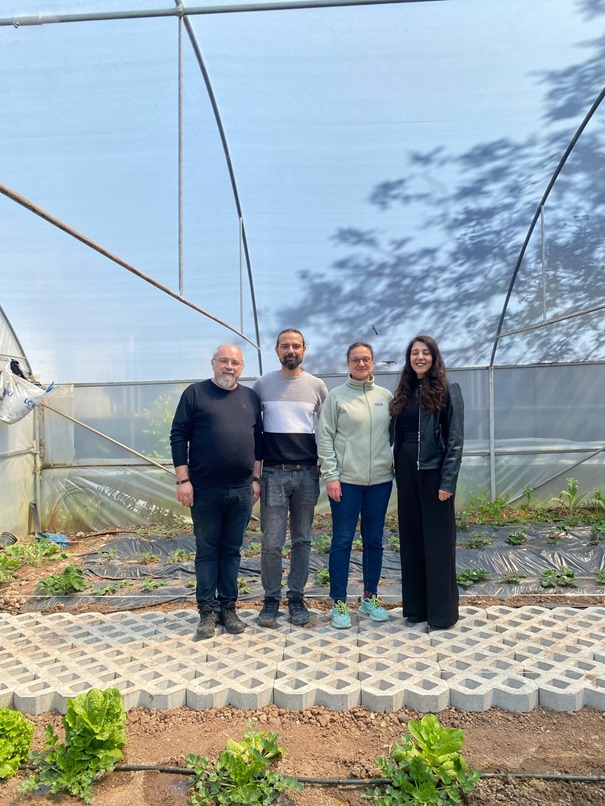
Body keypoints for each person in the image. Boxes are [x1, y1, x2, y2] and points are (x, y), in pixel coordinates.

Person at [170, 344, 262, 640]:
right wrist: (183, 481)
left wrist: (256, 478)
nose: (229, 367)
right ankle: (207, 612)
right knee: (208, 551)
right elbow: (178, 436)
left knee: (232, 551)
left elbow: (259, 440)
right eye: (224, 361)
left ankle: (228, 609)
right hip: (205, 489)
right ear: (213, 363)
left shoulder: (250, 397)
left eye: (235, 363)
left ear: (242, 367)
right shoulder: (195, 394)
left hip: (242, 490)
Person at [253, 329, 328, 627]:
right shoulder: (262, 385)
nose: (291, 351)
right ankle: (271, 599)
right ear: (276, 350)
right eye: (285, 346)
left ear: (304, 350)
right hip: (273, 474)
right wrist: (255, 471)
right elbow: (252, 428)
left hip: (307, 474)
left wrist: (324, 456)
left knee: (302, 539)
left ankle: (296, 597)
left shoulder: (317, 386)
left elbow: (329, 425)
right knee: (271, 542)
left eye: (296, 346)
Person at [317, 342, 394, 629]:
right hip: (346, 482)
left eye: (366, 359)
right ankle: (339, 601)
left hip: (380, 482)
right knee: (342, 540)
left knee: (374, 540)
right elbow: (325, 438)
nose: (361, 364)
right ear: (348, 363)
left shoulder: (386, 397)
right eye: (355, 359)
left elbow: (393, 436)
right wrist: (332, 476)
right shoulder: (337, 397)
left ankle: (369, 597)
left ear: (373, 362)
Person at [390, 335, 464, 631]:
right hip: (406, 472)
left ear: (434, 357)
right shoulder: (404, 391)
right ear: (408, 359)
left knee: (437, 542)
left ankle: (442, 614)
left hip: (433, 473)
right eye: (414, 353)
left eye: (425, 353)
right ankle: (416, 608)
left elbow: (455, 439)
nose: (419, 357)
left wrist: (448, 482)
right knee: (411, 540)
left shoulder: (448, 389)